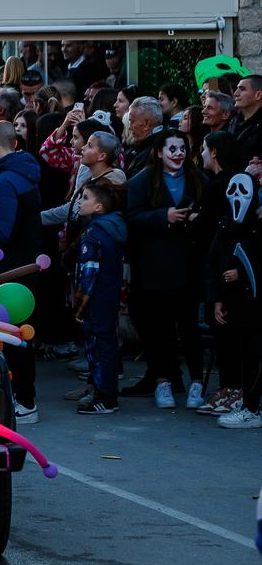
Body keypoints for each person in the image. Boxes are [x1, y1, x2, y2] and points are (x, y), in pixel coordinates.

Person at [125, 129, 206, 409]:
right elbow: (132, 217)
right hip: (154, 266)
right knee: (159, 329)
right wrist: (164, 216)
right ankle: (163, 382)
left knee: (189, 327)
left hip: (188, 265)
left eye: (182, 148)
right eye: (172, 148)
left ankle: (197, 383)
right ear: (160, 152)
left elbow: (211, 212)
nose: (178, 154)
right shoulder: (142, 181)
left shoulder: (197, 179)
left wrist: (196, 217)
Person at [0, 122, 43, 422]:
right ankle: (24, 396)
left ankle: (24, 400)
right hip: (25, 265)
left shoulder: (5, 182)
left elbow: (0, 231)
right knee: (20, 333)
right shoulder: (26, 175)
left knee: (13, 335)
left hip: (9, 270)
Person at [199, 131, 259, 425]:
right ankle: (240, 397)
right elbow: (214, 259)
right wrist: (217, 297)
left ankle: (250, 404)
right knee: (235, 345)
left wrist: (244, 273)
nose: (237, 197)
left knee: (251, 348)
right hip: (230, 297)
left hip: (250, 299)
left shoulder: (254, 229)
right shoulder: (226, 225)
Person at [71, 180, 128, 415]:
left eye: (85, 197)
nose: (79, 202)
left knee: (98, 346)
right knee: (106, 343)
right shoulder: (111, 229)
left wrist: (80, 306)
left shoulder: (93, 234)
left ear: (99, 207)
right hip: (109, 296)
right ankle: (102, 390)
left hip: (96, 300)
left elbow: (89, 274)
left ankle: (105, 396)